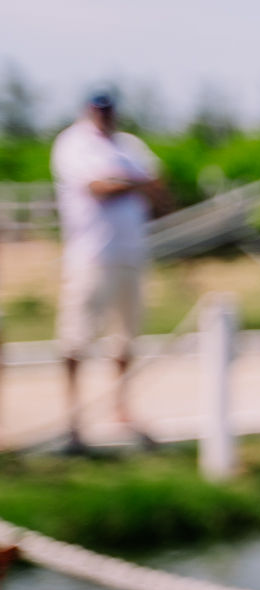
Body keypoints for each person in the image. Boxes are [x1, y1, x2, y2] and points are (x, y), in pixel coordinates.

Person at [50, 89, 168, 452]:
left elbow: (157, 184)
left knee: (126, 337)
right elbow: (98, 187)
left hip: (131, 254)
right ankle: (73, 416)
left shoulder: (130, 144)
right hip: (90, 255)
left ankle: (122, 408)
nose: (105, 115)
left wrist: (127, 181)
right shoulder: (72, 143)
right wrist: (133, 182)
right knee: (76, 338)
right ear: (88, 111)